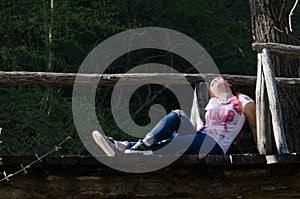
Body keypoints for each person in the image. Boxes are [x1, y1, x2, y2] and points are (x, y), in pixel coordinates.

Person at [92, 76, 257, 157]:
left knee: (177, 142)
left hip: (215, 145)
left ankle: (127, 148)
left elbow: (255, 126)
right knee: (177, 114)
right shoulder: (213, 103)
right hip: (201, 137)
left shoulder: (241, 100)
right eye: (212, 83)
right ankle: (125, 146)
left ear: (228, 83)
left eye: (217, 80)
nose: (214, 81)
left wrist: (261, 151)